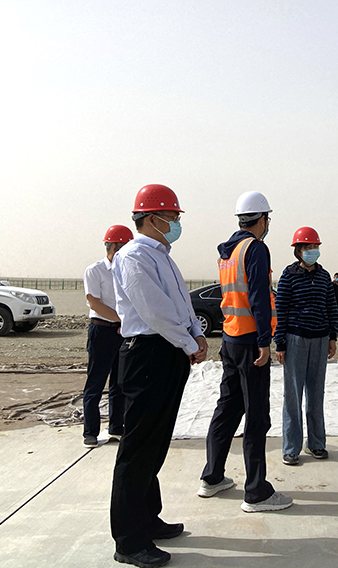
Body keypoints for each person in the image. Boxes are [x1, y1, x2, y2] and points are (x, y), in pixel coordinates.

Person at [109, 184, 207, 568]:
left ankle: (148, 519)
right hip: (147, 354)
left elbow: (180, 303)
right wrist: (188, 342)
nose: (177, 223)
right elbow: (154, 311)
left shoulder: (162, 256)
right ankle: (129, 539)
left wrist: (196, 333)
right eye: (173, 217)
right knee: (138, 448)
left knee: (155, 442)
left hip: (167, 352)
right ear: (152, 218)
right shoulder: (134, 256)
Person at [199, 191, 293, 513]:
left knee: (227, 409)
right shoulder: (255, 249)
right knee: (256, 416)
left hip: (230, 339)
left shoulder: (227, 252)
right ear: (262, 218)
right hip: (252, 343)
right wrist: (266, 341)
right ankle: (256, 492)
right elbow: (258, 298)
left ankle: (212, 477)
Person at [274, 226, 338, 465]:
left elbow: (331, 306)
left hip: (320, 339)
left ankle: (316, 443)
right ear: (299, 250)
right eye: (308, 247)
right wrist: (280, 343)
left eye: (316, 247)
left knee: (316, 393)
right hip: (296, 339)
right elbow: (281, 309)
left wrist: (332, 336)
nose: (313, 250)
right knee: (293, 395)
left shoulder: (323, 276)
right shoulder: (289, 275)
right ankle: (291, 447)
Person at [81, 224, 132, 449]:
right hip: (102, 330)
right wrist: (121, 321)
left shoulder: (128, 271)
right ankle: (90, 432)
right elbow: (94, 303)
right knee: (95, 383)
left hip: (122, 332)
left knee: (119, 383)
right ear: (113, 247)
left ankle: (116, 427)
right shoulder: (95, 270)